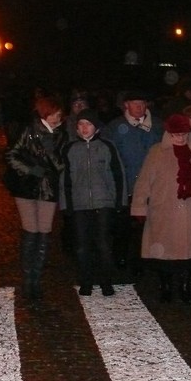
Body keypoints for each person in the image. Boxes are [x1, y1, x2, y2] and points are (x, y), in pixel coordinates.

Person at [131, 113, 191, 303]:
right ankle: (165, 286)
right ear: (168, 134)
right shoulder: (157, 152)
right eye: (175, 134)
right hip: (163, 210)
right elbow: (145, 181)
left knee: (189, 254)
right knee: (163, 253)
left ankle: (184, 286)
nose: (180, 138)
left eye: (183, 134)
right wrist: (139, 206)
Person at [4, 95, 68, 300]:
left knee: (44, 231)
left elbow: (61, 166)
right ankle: (28, 280)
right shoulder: (28, 131)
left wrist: (50, 152)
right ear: (45, 113)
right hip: (26, 189)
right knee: (31, 230)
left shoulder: (62, 135)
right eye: (55, 113)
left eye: (59, 114)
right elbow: (11, 155)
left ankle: (37, 278)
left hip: (48, 190)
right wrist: (31, 170)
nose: (59, 117)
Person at [60, 108, 126, 296]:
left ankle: (106, 281)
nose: (84, 128)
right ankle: (86, 281)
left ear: (96, 128)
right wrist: (66, 205)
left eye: (88, 124)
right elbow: (65, 179)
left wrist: (120, 201)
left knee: (104, 244)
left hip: (103, 202)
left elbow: (118, 174)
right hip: (80, 204)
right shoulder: (70, 148)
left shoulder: (107, 146)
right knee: (81, 246)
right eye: (81, 124)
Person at [105, 90, 164, 274]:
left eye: (142, 103)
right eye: (135, 103)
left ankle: (144, 259)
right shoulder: (115, 127)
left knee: (149, 225)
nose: (139, 107)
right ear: (126, 105)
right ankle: (121, 256)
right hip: (126, 185)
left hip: (153, 185)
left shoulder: (158, 126)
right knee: (123, 226)